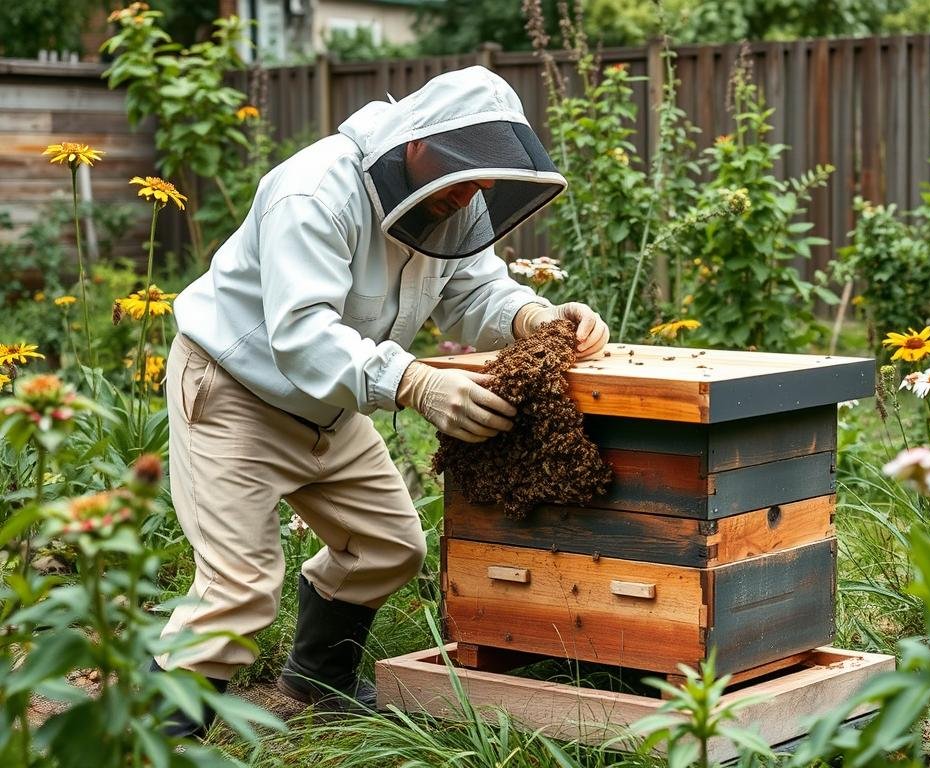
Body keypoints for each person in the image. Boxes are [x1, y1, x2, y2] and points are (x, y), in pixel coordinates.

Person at [154, 65, 609, 737]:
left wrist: (535, 317)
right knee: (239, 588)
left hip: (331, 404)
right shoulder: (313, 190)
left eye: (483, 181)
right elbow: (301, 335)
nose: (472, 193)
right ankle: (160, 739)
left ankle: (318, 681)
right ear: (416, 143)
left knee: (388, 546)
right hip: (234, 393)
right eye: (464, 175)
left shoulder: (452, 197)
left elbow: (475, 291)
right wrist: (417, 383)